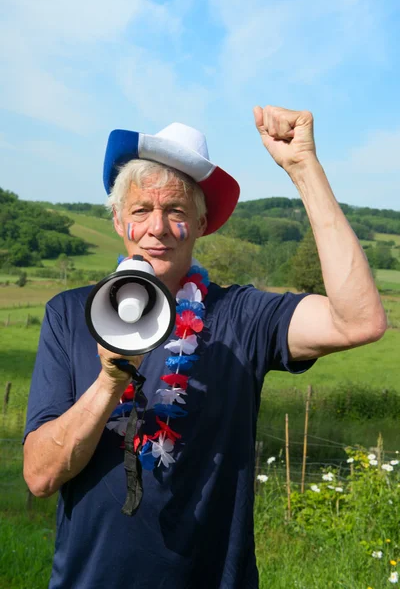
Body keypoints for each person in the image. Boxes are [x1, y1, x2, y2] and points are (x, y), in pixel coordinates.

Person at [23, 106, 386, 589]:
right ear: (117, 221)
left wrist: (304, 168)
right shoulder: (69, 314)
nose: (156, 228)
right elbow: (40, 477)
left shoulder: (242, 317)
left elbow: (359, 320)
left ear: (200, 223)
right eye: (141, 210)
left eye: (175, 210)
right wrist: (110, 380)